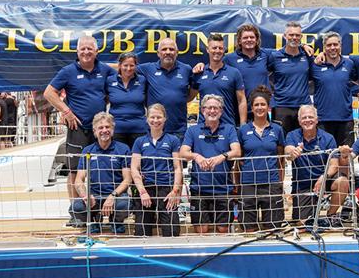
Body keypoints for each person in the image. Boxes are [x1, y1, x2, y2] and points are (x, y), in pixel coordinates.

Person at [44, 35, 113, 226]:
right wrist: (65, 111)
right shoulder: (68, 71)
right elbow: (49, 93)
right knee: (75, 172)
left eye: (90, 49)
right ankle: (77, 213)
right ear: (77, 51)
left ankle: (96, 212)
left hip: (99, 131)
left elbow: (120, 71)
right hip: (77, 129)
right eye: (83, 48)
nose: (86, 52)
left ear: (96, 51)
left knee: (98, 170)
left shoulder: (105, 70)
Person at [180, 94, 241, 234]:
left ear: (221, 111)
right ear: (202, 110)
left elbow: (237, 151)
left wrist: (222, 157)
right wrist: (196, 156)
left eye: (216, 108)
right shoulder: (193, 130)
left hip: (223, 190)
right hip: (199, 190)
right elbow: (183, 152)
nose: (212, 111)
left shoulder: (229, 129)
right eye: (209, 108)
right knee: (202, 230)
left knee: (223, 229)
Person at [71, 113, 132, 235]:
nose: (104, 130)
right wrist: (85, 195)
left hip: (116, 196)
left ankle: (116, 221)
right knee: (76, 207)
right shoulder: (88, 151)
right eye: (100, 128)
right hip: (95, 196)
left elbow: (127, 179)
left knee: (126, 204)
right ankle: (94, 221)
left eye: (107, 127)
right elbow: (79, 180)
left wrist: (112, 196)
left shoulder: (123, 149)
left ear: (113, 129)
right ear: (94, 131)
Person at [238, 86, 286, 231]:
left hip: (271, 183)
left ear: (268, 107)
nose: (260, 107)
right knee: (249, 228)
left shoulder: (277, 130)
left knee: (272, 228)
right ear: (251, 108)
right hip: (248, 183)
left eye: (263, 104)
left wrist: (280, 183)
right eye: (256, 105)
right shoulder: (243, 130)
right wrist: (237, 184)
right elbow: (238, 160)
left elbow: (280, 159)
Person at [131, 104, 183, 236]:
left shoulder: (173, 140)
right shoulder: (139, 141)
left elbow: (177, 168)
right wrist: (142, 192)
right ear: (147, 119)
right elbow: (134, 168)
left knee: (172, 231)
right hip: (146, 188)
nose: (155, 120)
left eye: (159, 117)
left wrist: (175, 191)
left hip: (166, 189)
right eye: (152, 117)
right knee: (141, 231)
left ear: (165, 119)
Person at [284, 105, 338, 224]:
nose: (307, 120)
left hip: (323, 180)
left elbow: (334, 164)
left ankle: (330, 216)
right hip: (303, 185)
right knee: (302, 224)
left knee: (342, 182)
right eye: (304, 117)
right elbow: (288, 150)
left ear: (317, 120)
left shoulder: (328, 138)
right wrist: (292, 152)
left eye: (310, 117)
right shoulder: (292, 136)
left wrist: (324, 177)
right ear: (299, 121)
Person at [137, 37, 197, 141]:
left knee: (178, 158)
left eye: (171, 49)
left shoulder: (186, 69)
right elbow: (125, 67)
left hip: (179, 130)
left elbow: (191, 95)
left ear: (177, 52)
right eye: (164, 49)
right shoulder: (148, 69)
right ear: (158, 53)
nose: (168, 52)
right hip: (154, 129)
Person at [310, 32, 356, 145]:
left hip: (345, 120)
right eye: (329, 45)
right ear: (324, 47)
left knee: (345, 158)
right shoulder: (315, 65)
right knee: (323, 158)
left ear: (340, 46)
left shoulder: (349, 64)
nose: (332, 48)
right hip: (322, 120)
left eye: (335, 44)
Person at [267, 21, 312, 133]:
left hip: (303, 107)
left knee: (304, 141)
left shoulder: (307, 55)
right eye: (291, 35)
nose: (294, 37)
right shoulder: (275, 56)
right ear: (285, 36)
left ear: (301, 37)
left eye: (297, 35)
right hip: (281, 107)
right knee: (281, 144)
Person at [194, 34, 247, 127]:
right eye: (214, 48)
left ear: (224, 50)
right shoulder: (199, 73)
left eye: (220, 48)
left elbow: (241, 100)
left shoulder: (234, 73)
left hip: (227, 127)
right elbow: (189, 97)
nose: (217, 51)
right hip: (203, 127)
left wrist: (243, 125)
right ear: (207, 49)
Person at [106, 52, 148, 148]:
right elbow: (105, 99)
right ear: (119, 65)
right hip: (116, 130)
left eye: (131, 65)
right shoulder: (109, 80)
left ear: (136, 66)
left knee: (137, 160)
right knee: (119, 161)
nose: (128, 69)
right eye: (125, 65)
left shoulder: (142, 80)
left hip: (139, 130)